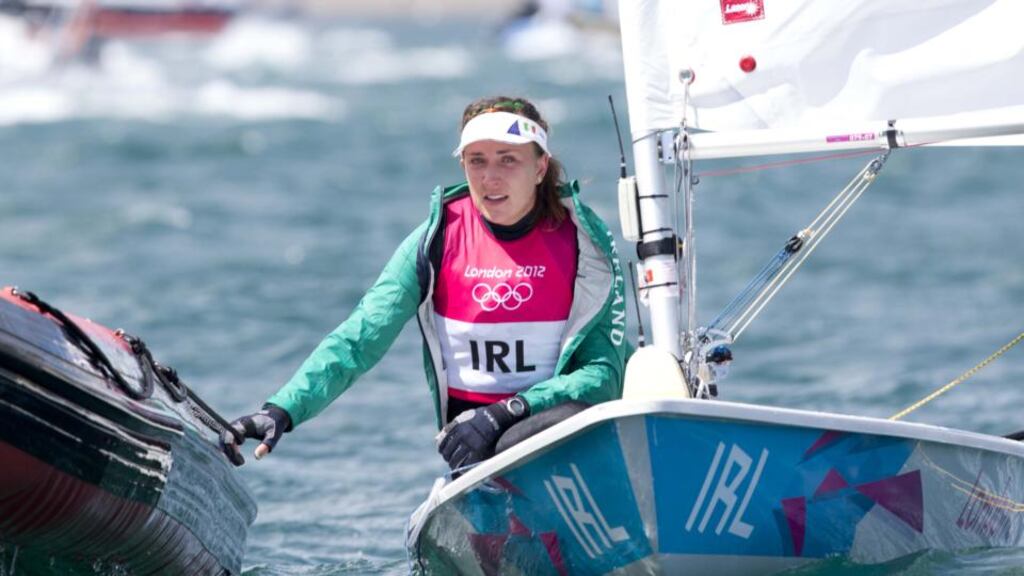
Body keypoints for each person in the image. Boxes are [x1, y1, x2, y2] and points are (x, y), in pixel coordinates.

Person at [221, 96, 627, 471]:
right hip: (473, 447)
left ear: (540, 168)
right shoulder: (435, 242)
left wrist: (510, 410)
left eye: (508, 161)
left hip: (562, 430)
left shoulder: (583, 240)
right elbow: (359, 339)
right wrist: (282, 409)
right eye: (477, 161)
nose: (490, 178)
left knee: (576, 416)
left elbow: (602, 374)